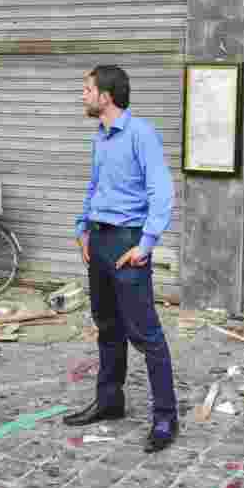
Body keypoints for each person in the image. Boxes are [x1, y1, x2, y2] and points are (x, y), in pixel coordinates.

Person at [66, 65, 179, 453]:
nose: (82, 96)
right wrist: (82, 228)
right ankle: (110, 401)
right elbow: (95, 185)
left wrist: (146, 245)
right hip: (98, 239)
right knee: (107, 326)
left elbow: (161, 192)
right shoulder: (100, 138)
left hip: (128, 243)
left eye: (87, 89)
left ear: (106, 96)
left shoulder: (141, 134)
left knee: (146, 334)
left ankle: (165, 416)